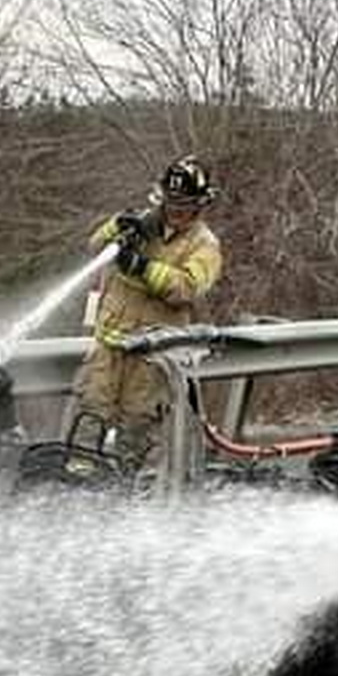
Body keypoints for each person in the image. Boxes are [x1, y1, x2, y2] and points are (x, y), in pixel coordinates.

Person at [69, 155, 222, 468]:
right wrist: (116, 226)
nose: (175, 211)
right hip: (108, 349)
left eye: (184, 205)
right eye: (171, 202)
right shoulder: (143, 223)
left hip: (152, 358)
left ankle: (126, 499)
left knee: (136, 432)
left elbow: (187, 288)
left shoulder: (204, 245)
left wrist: (143, 268)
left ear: (200, 204)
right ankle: (77, 490)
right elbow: (94, 248)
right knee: (88, 420)